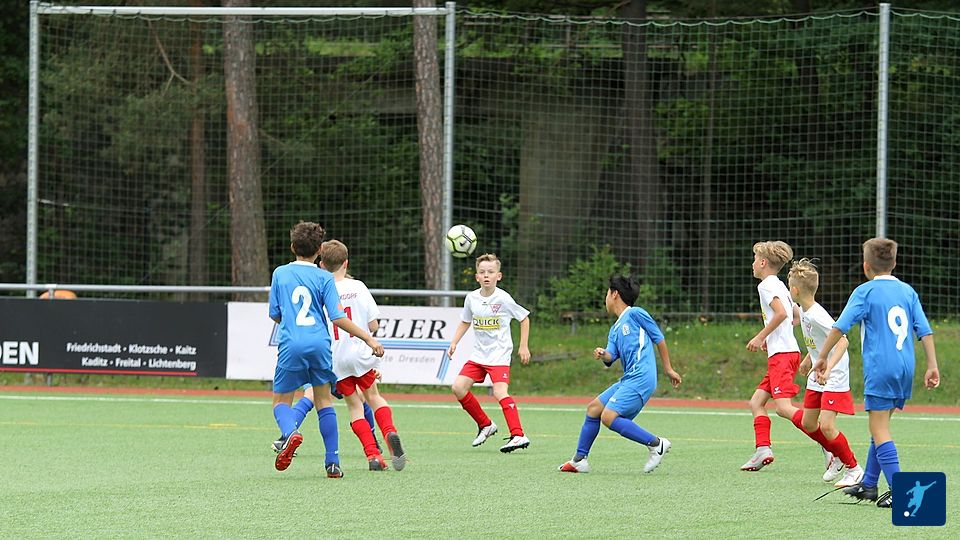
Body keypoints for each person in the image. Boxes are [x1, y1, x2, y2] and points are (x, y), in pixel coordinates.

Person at [815, 238, 939, 507]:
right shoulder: (907, 291)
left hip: (881, 367)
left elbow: (840, 327)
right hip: (906, 367)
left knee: (880, 428)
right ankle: (869, 484)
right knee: (879, 425)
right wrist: (932, 365)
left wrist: (822, 356)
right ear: (894, 263)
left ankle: (900, 491)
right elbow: (925, 330)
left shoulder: (865, 291)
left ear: (866, 266)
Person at [269, 221, 384, 478]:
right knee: (324, 400)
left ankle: (291, 433)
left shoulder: (280, 273)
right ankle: (333, 463)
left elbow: (275, 314)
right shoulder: (324, 277)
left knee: (281, 402)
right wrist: (368, 339)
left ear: (292, 247)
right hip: (320, 343)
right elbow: (337, 317)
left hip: (291, 343)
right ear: (319, 250)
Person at [741, 241, 851, 472]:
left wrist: (761, 337)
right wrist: (775, 336)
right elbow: (795, 315)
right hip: (785, 351)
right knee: (756, 402)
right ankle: (763, 449)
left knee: (783, 408)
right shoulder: (781, 285)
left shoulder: (766, 286)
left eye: (755, 259)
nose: (753, 264)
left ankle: (830, 447)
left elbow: (781, 314)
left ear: (763, 263)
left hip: (782, 355)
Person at [558, 276, 682, 474]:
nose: (605, 298)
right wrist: (603, 354)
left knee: (608, 416)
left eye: (607, 293)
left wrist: (668, 369)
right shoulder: (614, 329)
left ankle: (656, 444)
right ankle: (579, 460)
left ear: (614, 294)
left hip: (641, 376)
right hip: (629, 378)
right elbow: (611, 357)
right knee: (594, 409)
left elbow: (659, 338)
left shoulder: (635, 313)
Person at [320, 239, 406, 472]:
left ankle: (373, 456)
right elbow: (373, 324)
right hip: (360, 352)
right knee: (374, 397)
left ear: (322, 265)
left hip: (337, 358)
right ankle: (389, 432)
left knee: (354, 407)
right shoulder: (358, 286)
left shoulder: (321, 290)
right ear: (346, 263)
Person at [787, 258, 864, 488]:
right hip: (818, 372)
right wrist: (808, 358)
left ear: (795, 290)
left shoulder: (817, 314)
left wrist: (828, 369)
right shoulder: (804, 311)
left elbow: (842, 341)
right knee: (809, 423)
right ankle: (837, 454)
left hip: (833, 374)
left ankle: (854, 468)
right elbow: (821, 342)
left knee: (827, 426)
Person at [447, 253, 532, 453]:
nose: (486, 275)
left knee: (500, 392)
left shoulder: (503, 298)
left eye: (491, 272)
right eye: (482, 272)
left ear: (498, 276)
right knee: (458, 388)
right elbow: (466, 321)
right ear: (477, 276)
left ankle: (518, 435)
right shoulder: (472, 298)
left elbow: (524, 318)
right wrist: (454, 342)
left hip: (499, 354)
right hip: (479, 355)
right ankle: (485, 424)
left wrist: (523, 346)